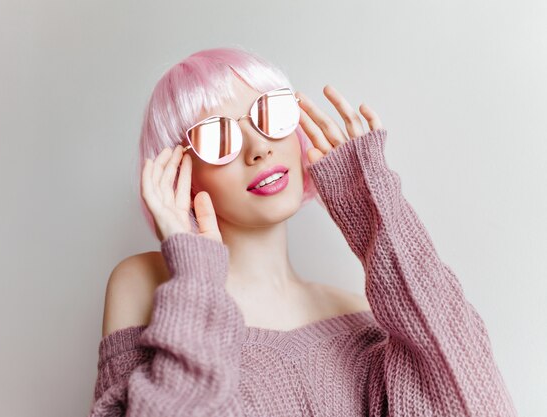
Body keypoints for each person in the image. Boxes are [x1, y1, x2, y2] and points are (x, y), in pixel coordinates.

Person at [88, 46, 518, 416]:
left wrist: (374, 210)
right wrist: (196, 276)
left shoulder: (362, 317)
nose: (259, 149)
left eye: (270, 115)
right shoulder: (147, 283)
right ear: (182, 172)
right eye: (218, 139)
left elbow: (476, 403)